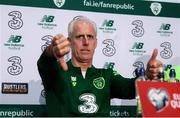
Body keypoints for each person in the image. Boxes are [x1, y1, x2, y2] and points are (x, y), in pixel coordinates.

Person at [37, 16, 163, 117]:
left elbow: (131, 88)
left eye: (90, 37)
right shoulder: (56, 72)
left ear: (96, 43)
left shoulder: (106, 75)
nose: (86, 42)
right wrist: (51, 51)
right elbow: (44, 63)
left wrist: (149, 75)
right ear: (70, 42)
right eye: (80, 36)